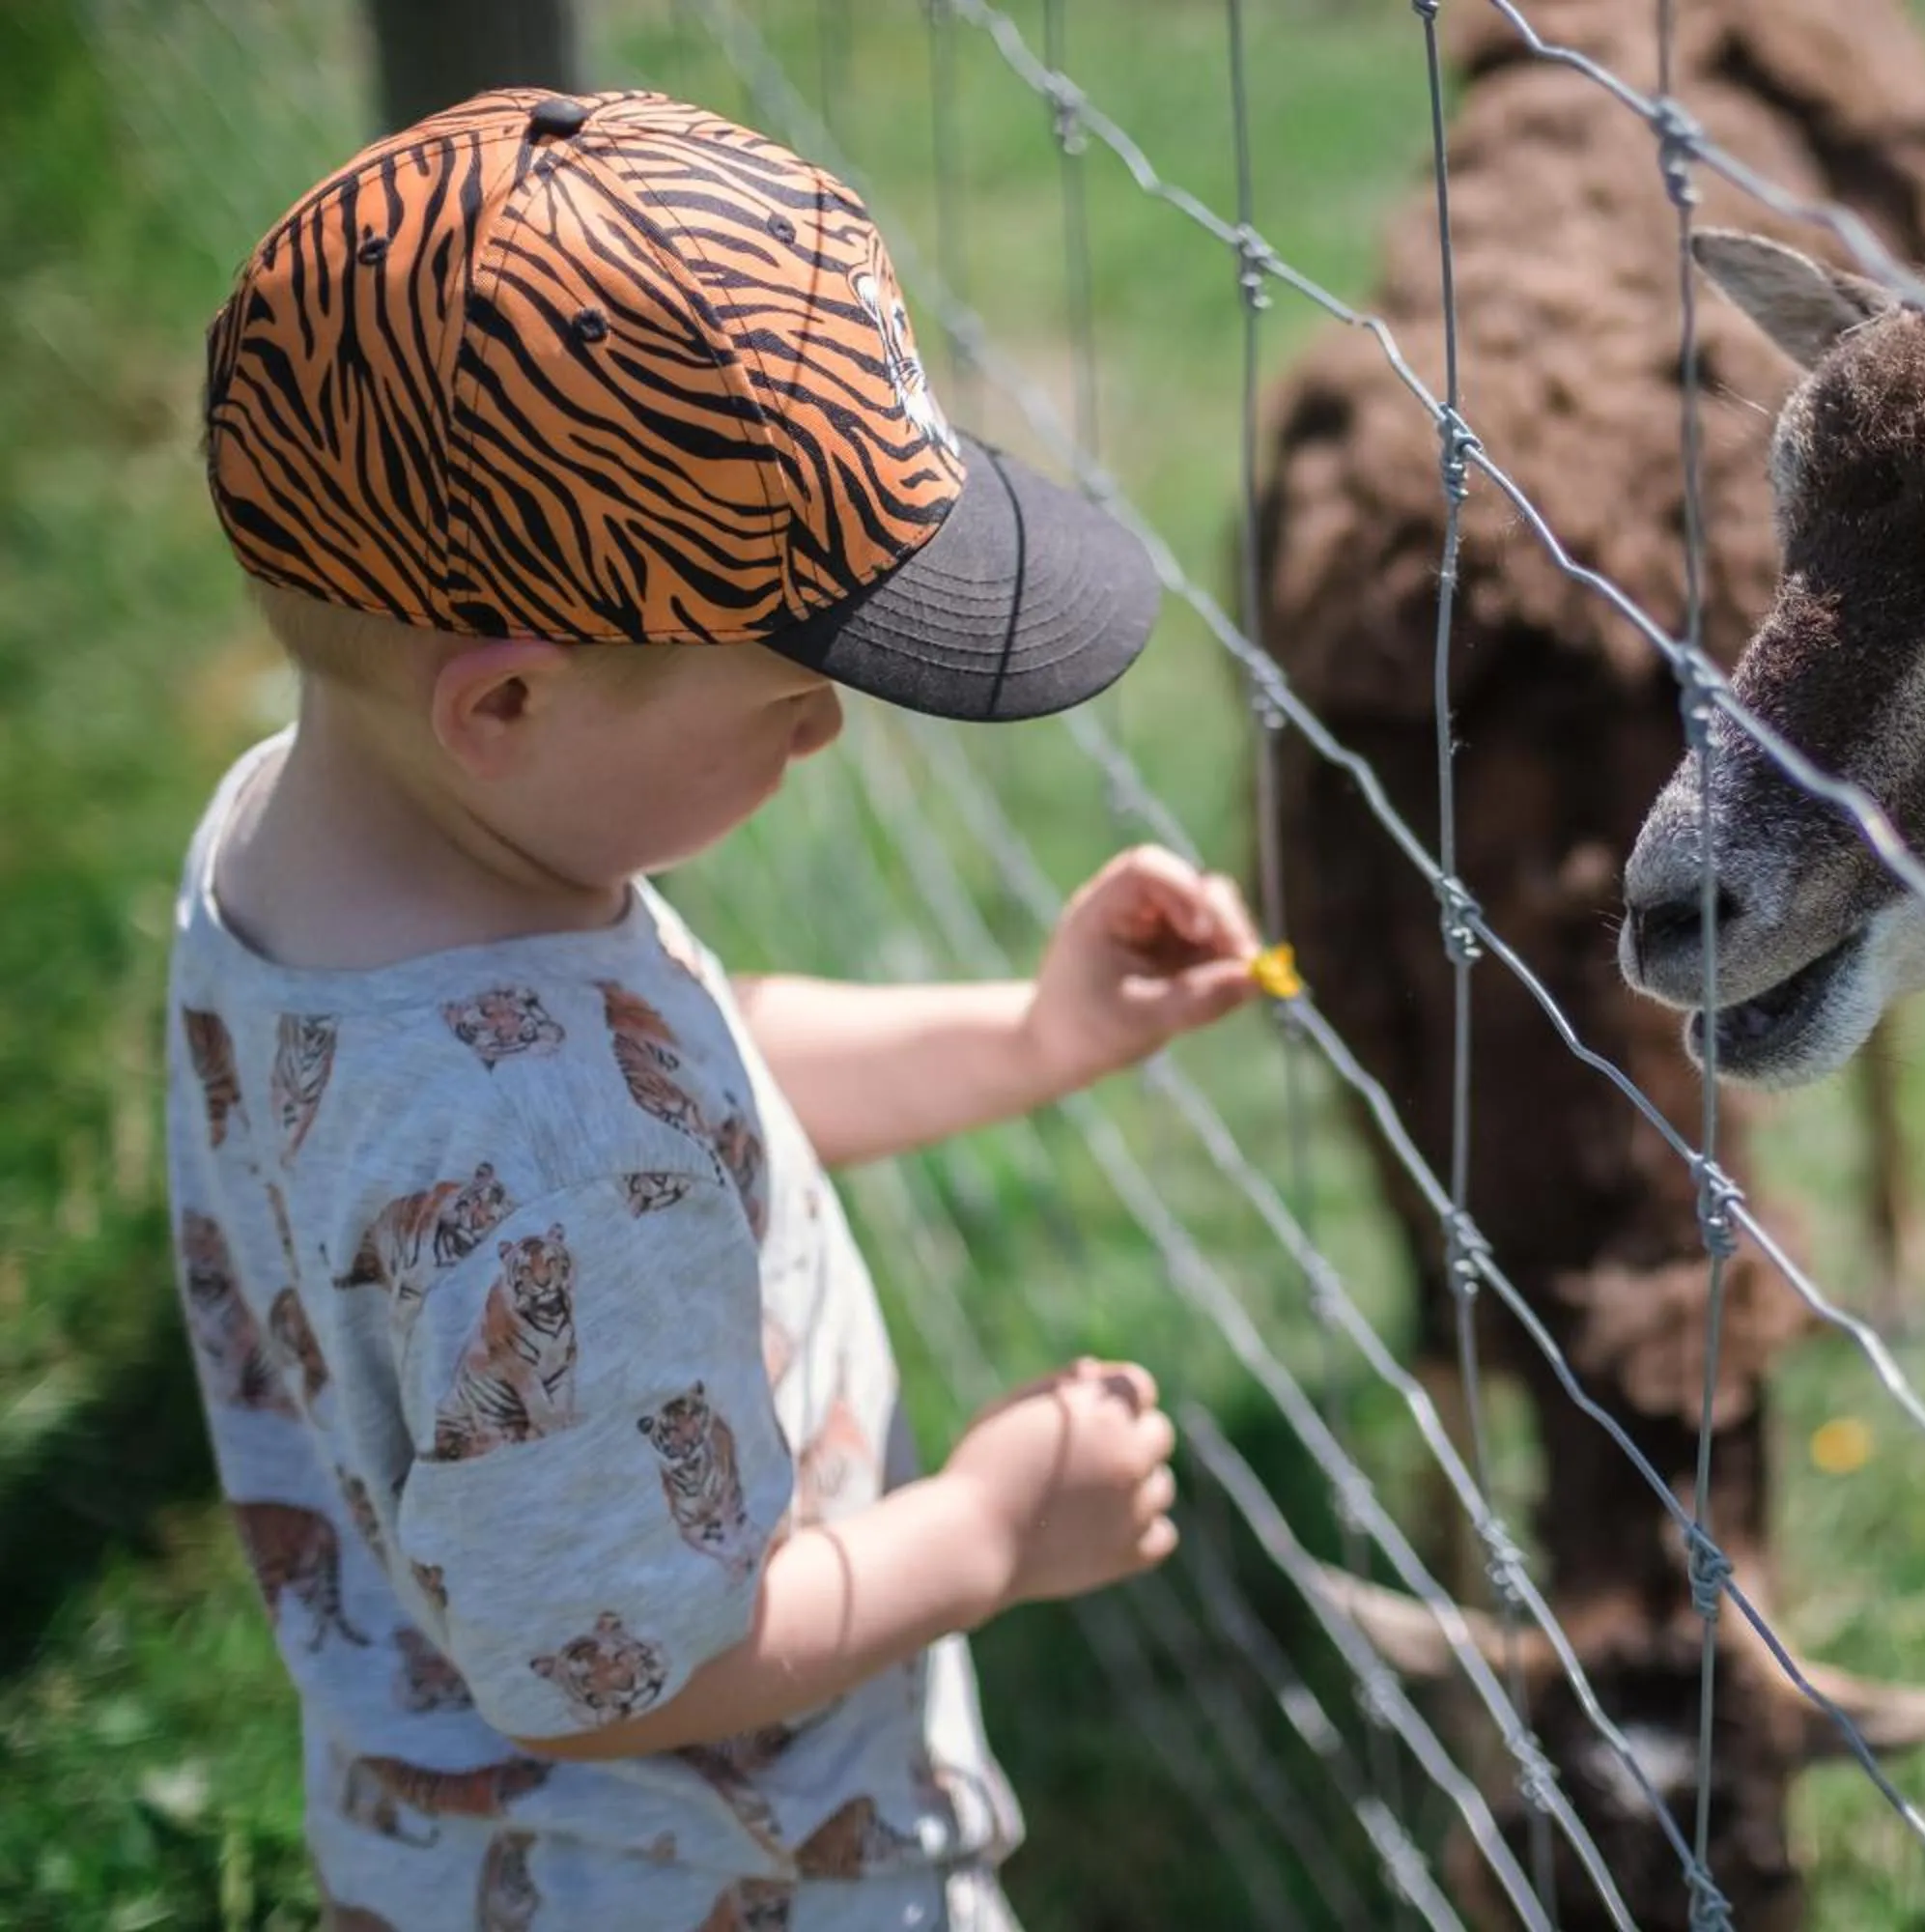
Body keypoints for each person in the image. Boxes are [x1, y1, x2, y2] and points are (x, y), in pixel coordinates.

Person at [168, 86, 1261, 1928]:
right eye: (788, 687)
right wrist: (990, 1530)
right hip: (703, 1877)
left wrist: (1034, 1036)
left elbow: (684, 1061)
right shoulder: (554, 1166)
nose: (829, 726)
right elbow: (627, 1666)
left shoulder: (301, 851)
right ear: (504, 707)